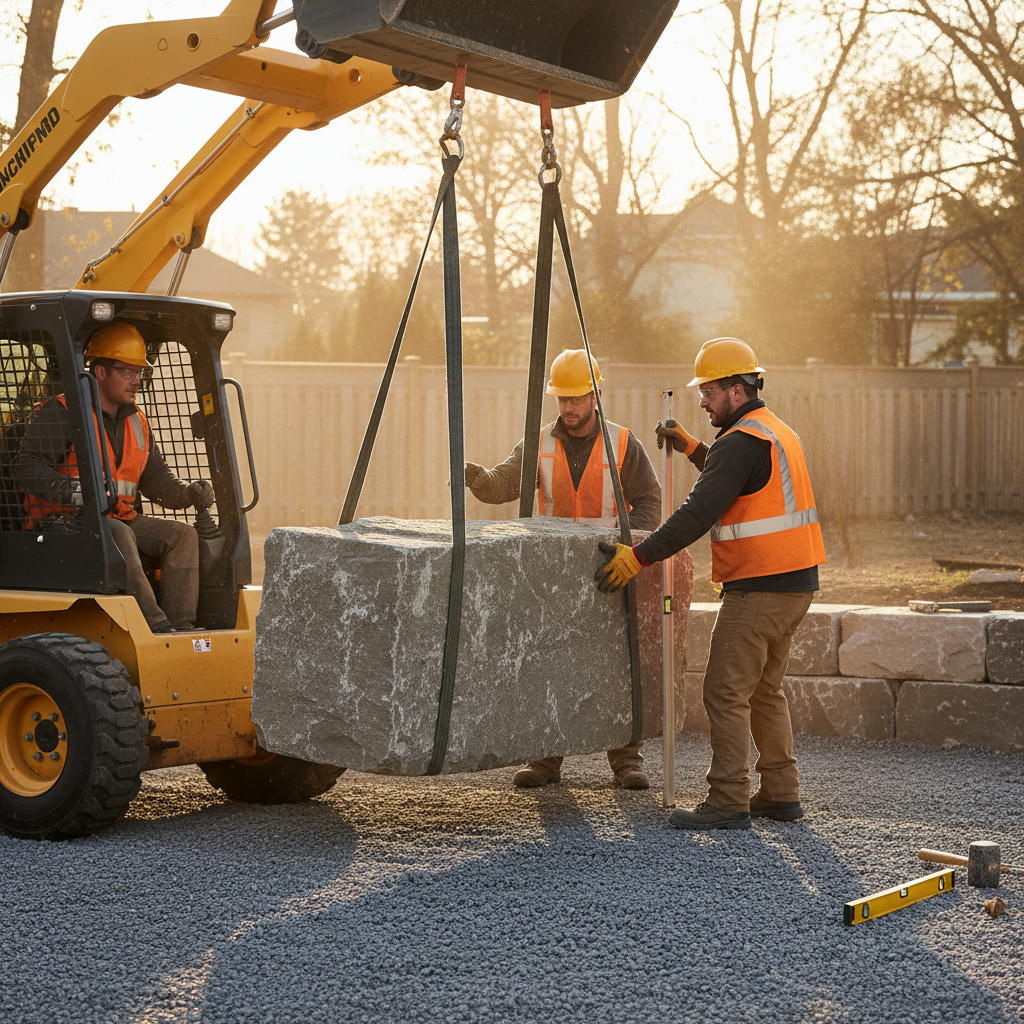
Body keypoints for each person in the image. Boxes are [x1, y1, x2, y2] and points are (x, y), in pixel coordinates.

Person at [595, 337, 826, 829]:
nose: (701, 400)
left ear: (737, 391)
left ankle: (727, 801)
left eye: (709, 391)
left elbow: (699, 512)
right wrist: (696, 449)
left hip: (759, 587)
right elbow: (741, 484)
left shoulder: (740, 443)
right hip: (796, 584)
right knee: (764, 691)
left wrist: (638, 558)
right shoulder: (772, 431)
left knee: (724, 691)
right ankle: (781, 793)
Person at [465, 348, 662, 790]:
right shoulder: (538, 441)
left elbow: (650, 500)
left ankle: (627, 760)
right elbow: (504, 483)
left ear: (595, 394)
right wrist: (480, 480)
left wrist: (631, 547)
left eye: (576, 399)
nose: (568, 408)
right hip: (553, 575)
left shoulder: (624, 442)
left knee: (617, 664)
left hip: (610, 570)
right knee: (547, 660)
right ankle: (545, 760)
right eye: (562, 399)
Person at [16, 321, 215, 633]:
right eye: (127, 371)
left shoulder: (137, 421)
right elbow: (26, 465)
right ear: (100, 372)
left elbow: (157, 480)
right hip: (61, 525)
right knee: (119, 534)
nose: (136, 379)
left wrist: (187, 493)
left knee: (182, 536)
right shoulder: (64, 412)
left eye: (139, 372)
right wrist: (76, 491)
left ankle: (181, 628)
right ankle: (156, 627)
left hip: (116, 518)